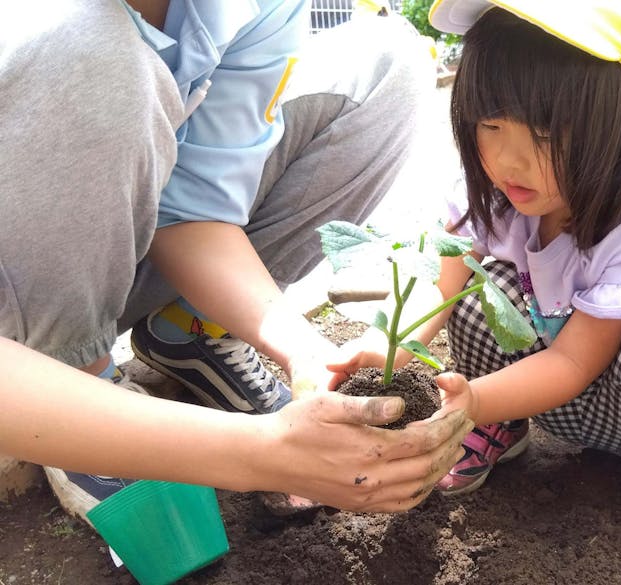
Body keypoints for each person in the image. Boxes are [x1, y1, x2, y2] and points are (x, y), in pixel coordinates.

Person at [0, 0, 472, 530]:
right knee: (95, 46)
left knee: (391, 63)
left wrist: (306, 353)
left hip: (123, 237)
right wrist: (262, 452)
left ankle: (191, 328)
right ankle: (75, 380)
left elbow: (192, 207)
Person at [333, 0, 621, 574]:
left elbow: (576, 364)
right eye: (491, 123)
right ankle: (503, 425)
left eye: (546, 131)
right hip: (538, 393)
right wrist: (394, 345)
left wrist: (473, 399)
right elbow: (439, 280)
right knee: (480, 285)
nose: (508, 159)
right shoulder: (498, 195)